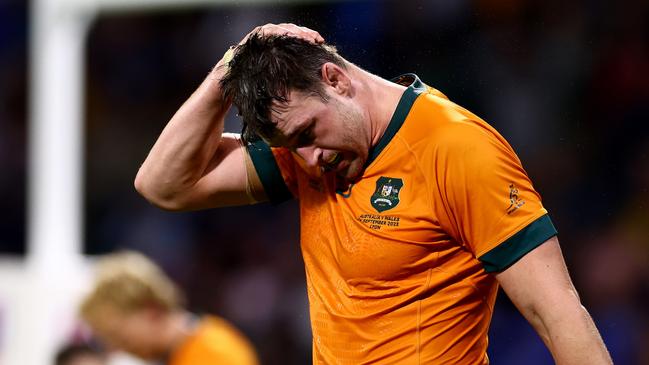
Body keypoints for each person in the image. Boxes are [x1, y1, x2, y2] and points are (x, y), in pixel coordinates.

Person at [134, 23, 612, 364]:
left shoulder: (456, 149)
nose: (308, 161)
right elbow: (163, 185)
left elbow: (556, 312)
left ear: (336, 80)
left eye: (306, 134)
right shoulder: (306, 150)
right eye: (290, 147)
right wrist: (231, 65)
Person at [79, 251, 259, 365]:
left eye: (119, 336)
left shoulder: (215, 353)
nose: (117, 347)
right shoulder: (180, 352)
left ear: (151, 311)